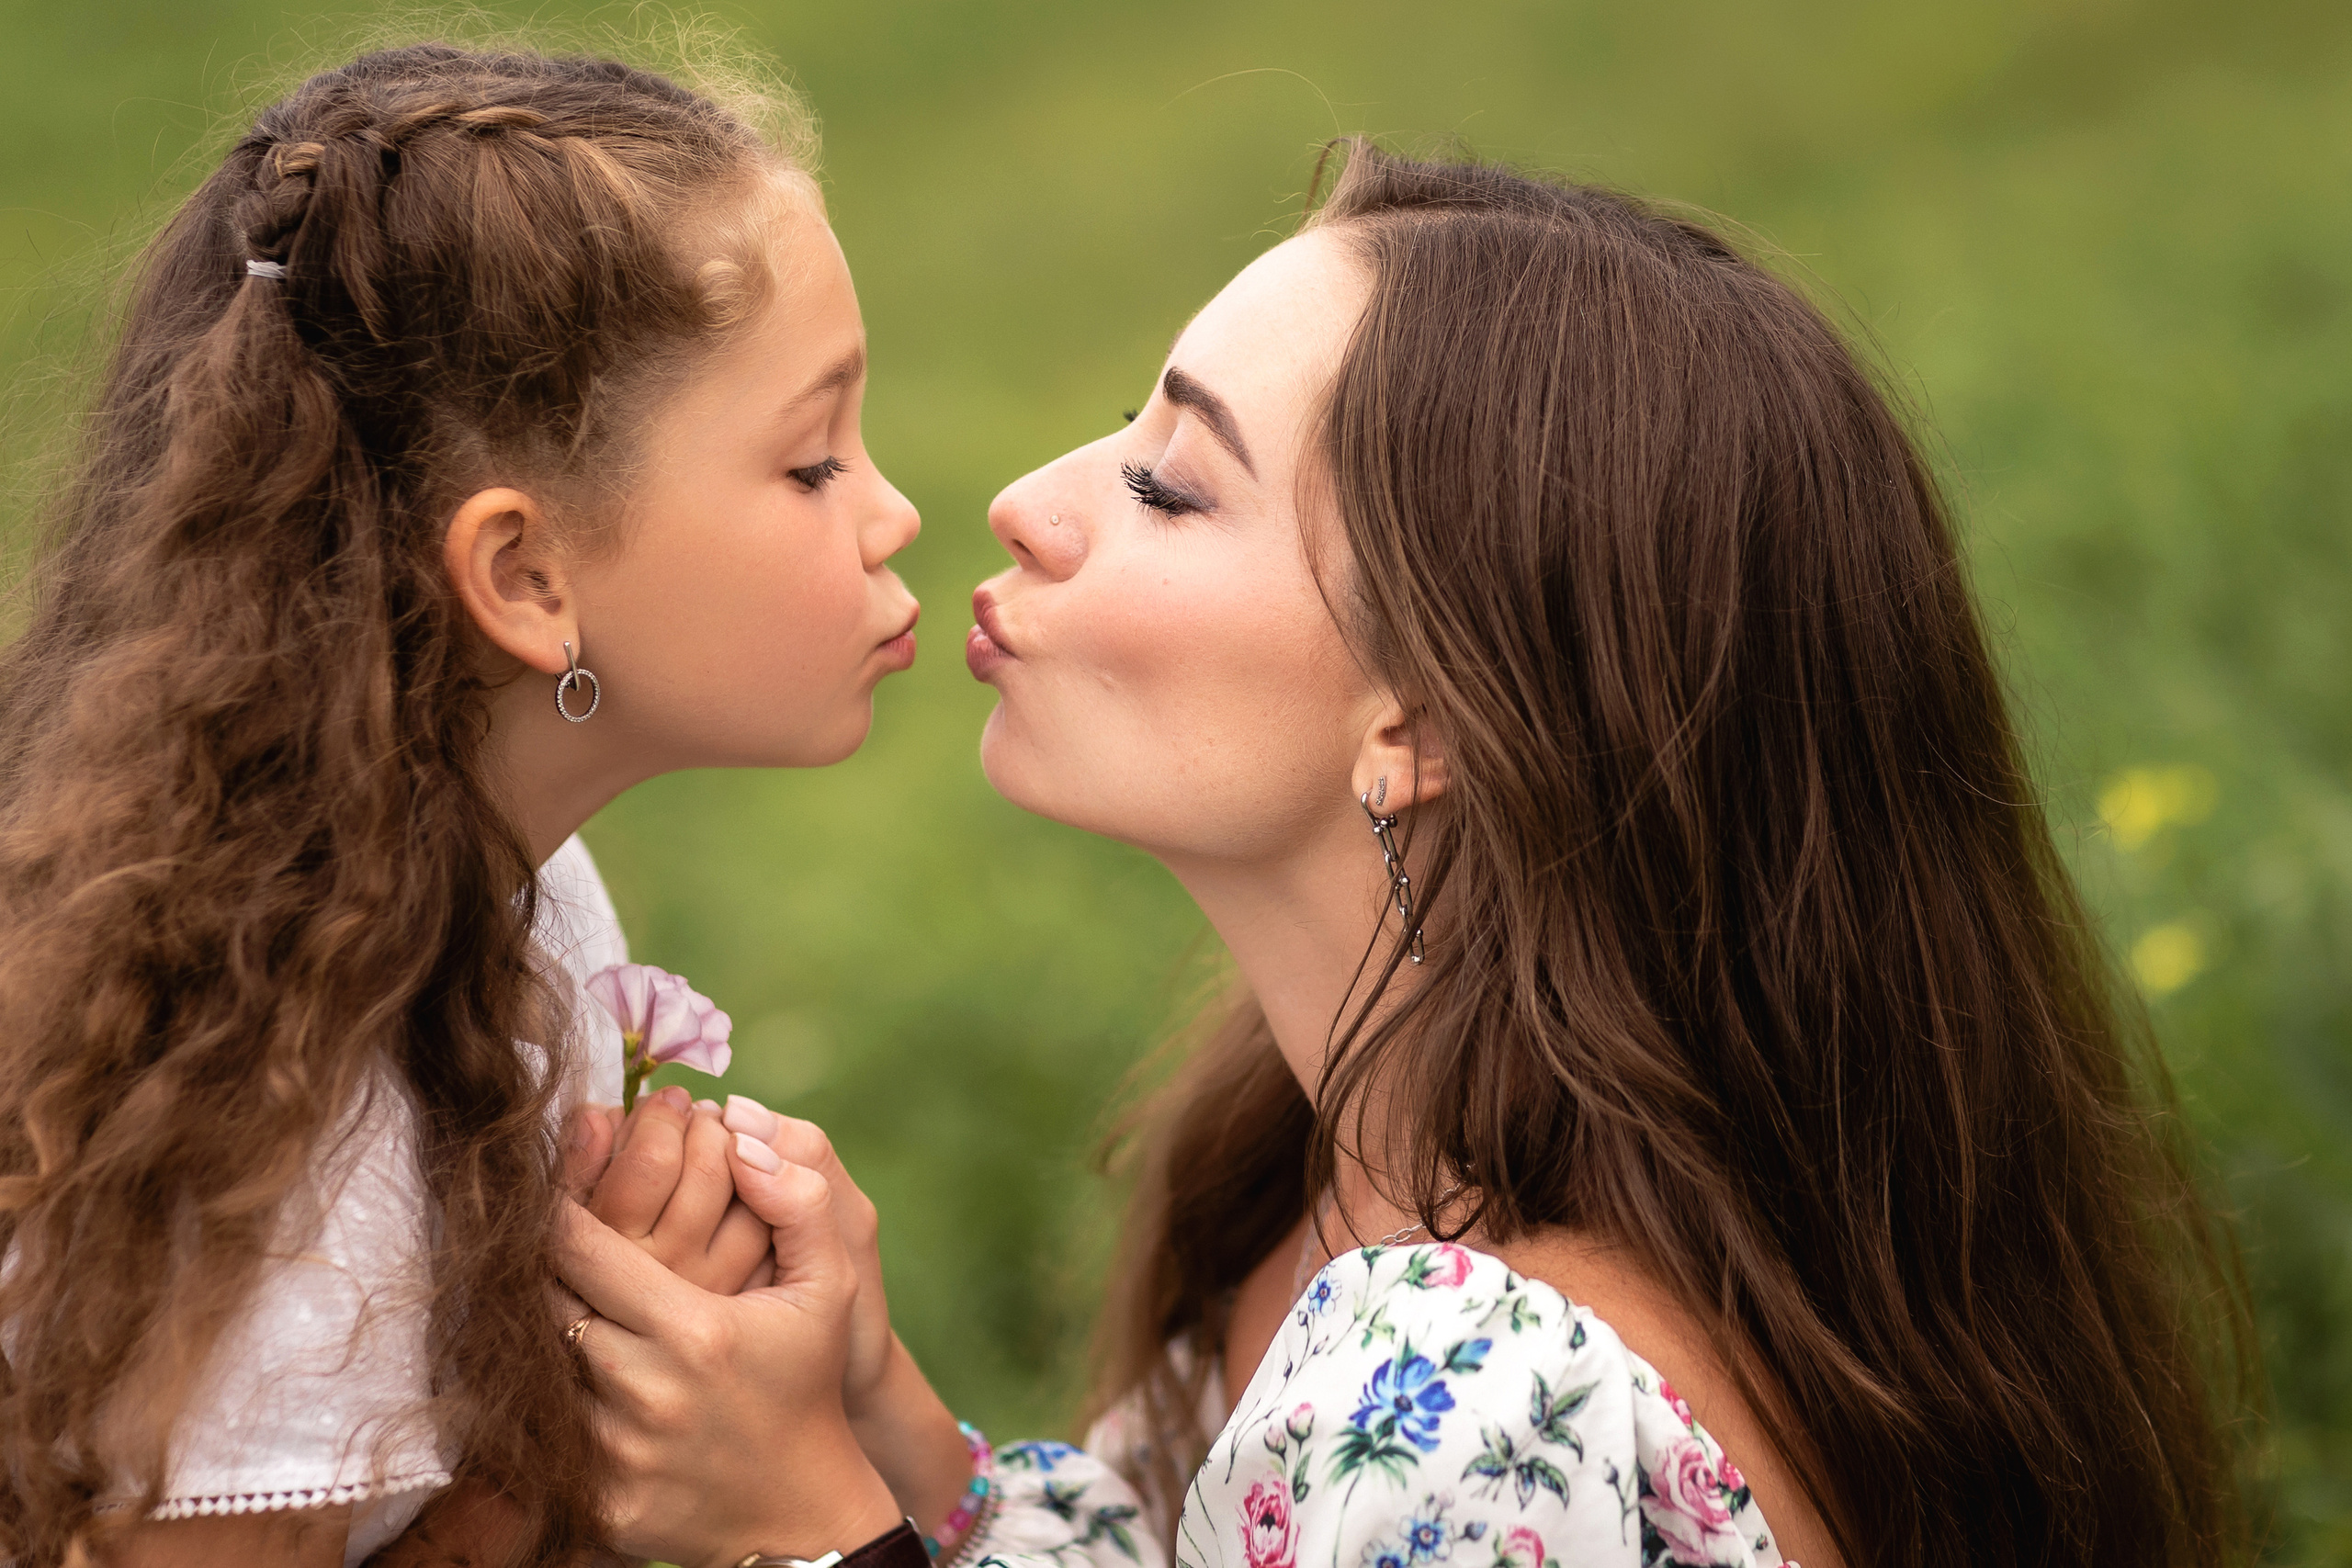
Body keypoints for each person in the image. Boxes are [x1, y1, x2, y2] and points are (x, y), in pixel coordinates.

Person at [557, 142, 2252, 1568]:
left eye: (1170, 486)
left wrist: (803, 1523)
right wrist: (899, 1435)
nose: (1021, 501)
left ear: (1428, 717)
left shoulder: (1465, 1390)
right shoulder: (1339, 1181)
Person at [0, 39, 926, 1567]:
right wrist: (559, 1406)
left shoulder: (522, 895)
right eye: (814, 459)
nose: (892, 507)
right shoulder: (290, 1152)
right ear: (528, 579)